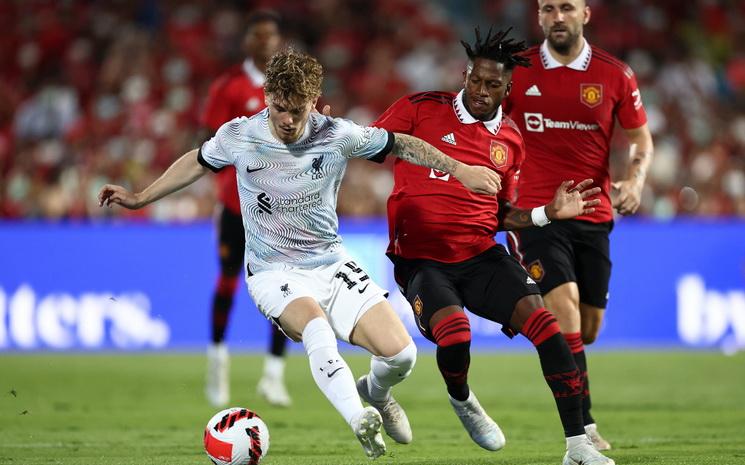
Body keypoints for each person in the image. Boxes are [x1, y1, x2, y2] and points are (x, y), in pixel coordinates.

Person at [98, 48, 502, 459]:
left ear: (314, 100)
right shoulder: (240, 136)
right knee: (316, 329)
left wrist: (460, 170)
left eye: (297, 110)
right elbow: (198, 162)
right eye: (279, 108)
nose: (288, 120)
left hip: (330, 262)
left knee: (402, 355)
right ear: (267, 97)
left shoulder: (338, 135)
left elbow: (402, 144)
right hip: (273, 270)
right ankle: (358, 419)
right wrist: (140, 197)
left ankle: (377, 393)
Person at [373, 27, 615, 465]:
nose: (481, 91)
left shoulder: (511, 141)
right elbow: (368, 144)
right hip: (423, 261)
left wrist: (546, 213)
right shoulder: (420, 108)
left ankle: (578, 446)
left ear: (508, 88)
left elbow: (501, 213)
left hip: (481, 255)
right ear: (465, 75)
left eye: (493, 84)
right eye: (476, 80)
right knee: (456, 335)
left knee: (548, 329)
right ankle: (462, 398)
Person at [503, 0, 654, 451]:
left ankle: (569, 380)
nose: (557, 17)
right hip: (538, 214)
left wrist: (635, 180)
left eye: (566, 7)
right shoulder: (516, 70)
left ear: (586, 14)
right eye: (548, 8)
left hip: (593, 215)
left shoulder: (615, 75)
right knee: (564, 306)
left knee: (587, 329)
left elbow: (640, 138)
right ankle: (583, 428)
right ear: (538, 16)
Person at [200, 10, 292, 408]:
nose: (265, 42)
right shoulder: (229, 86)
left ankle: (274, 375)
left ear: (277, 40)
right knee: (228, 281)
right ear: (248, 41)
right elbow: (210, 144)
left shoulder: (289, 86)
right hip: (236, 205)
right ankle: (218, 360)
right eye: (259, 35)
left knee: (285, 286)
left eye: (271, 35)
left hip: (281, 208)